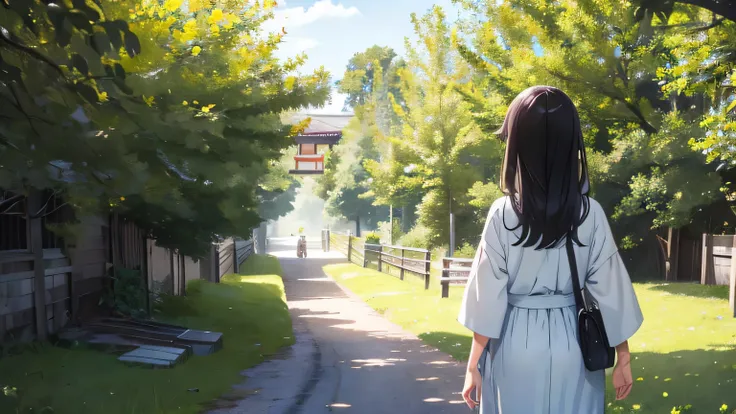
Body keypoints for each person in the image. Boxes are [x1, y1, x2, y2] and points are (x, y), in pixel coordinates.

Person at [458, 86, 643, 414]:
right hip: (575, 343)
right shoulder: (590, 213)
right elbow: (611, 292)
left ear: (518, 143)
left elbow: (486, 298)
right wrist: (623, 356)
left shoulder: (503, 214)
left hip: (513, 345)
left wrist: (473, 365)